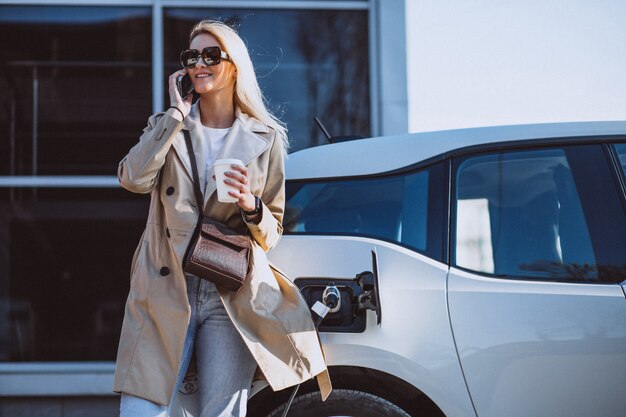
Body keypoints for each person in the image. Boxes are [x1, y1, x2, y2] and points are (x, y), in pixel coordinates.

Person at [113, 19, 331, 417]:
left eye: (211, 55)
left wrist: (249, 203)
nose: (199, 63)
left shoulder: (265, 139)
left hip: (229, 290)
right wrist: (176, 115)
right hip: (166, 284)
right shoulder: (168, 127)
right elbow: (132, 179)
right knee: (142, 410)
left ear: (234, 65)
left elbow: (272, 233)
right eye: (191, 56)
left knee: (222, 412)